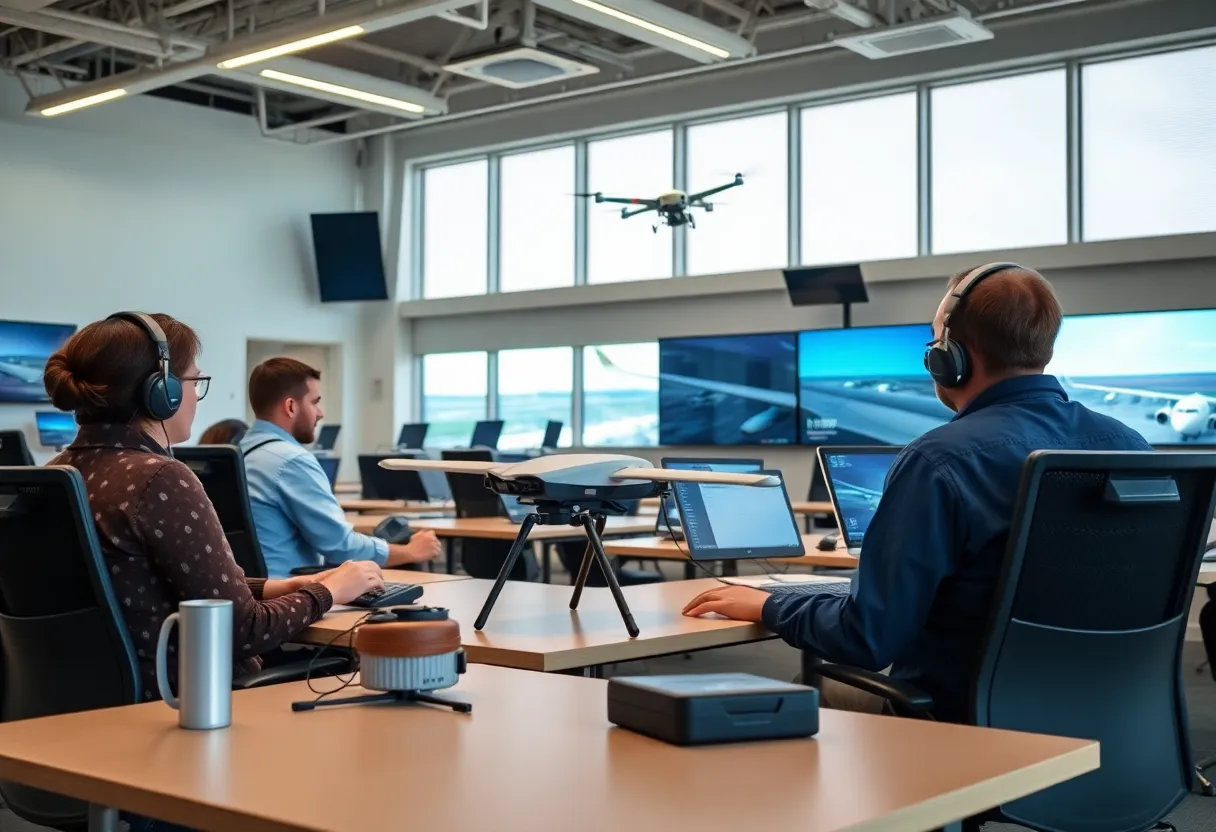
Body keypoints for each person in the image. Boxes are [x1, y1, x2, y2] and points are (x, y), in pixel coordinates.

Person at [682, 264, 1153, 723]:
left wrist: (769, 603)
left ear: (949, 357)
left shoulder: (939, 461)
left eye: (934, 343)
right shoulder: (1131, 445)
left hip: (967, 724)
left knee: (832, 686)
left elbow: (865, 638)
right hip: (1110, 721)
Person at [43, 312, 383, 701]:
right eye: (194, 381)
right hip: (182, 706)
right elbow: (242, 631)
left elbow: (141, 583)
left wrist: (275, 588)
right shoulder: (159, 479)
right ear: (162, 391)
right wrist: (330, 593)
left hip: (80, 710)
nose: (194, 396)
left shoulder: (57, 474)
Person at [240, 357, 441, 578]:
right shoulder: (290, 460)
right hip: (291, 598)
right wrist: (409, 552)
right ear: (291, 406)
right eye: (314, 402)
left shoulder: (240, 452)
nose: (320, 413)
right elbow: (339, 546)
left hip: (250, 593)